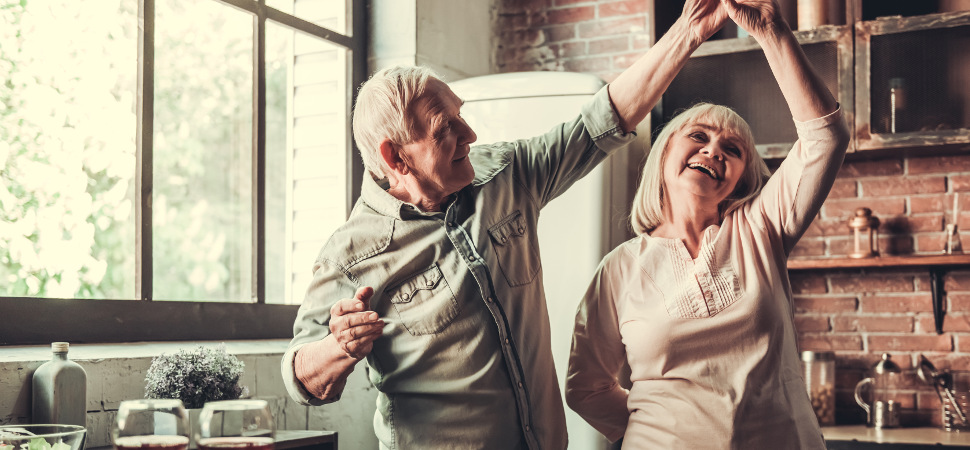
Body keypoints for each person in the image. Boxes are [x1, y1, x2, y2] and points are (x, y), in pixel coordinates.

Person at [281, 1, 731, 448]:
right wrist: (339, 347)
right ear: (395, 157)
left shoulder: (505, 173)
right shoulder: (351, 255)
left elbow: (601, 121)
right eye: (446, 129)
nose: (470, 135)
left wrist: (689, 30)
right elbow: (302, 379)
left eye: (461, 114)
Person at [564, 0, 851, 448]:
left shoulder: (760, 228)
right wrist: (661, 432)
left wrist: (771, 30)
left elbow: (825, 137)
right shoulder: (618, 269)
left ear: (740, 178)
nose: (714, 150)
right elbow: (586, 388)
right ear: (663, 156)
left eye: (732, 150)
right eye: (699, 136)